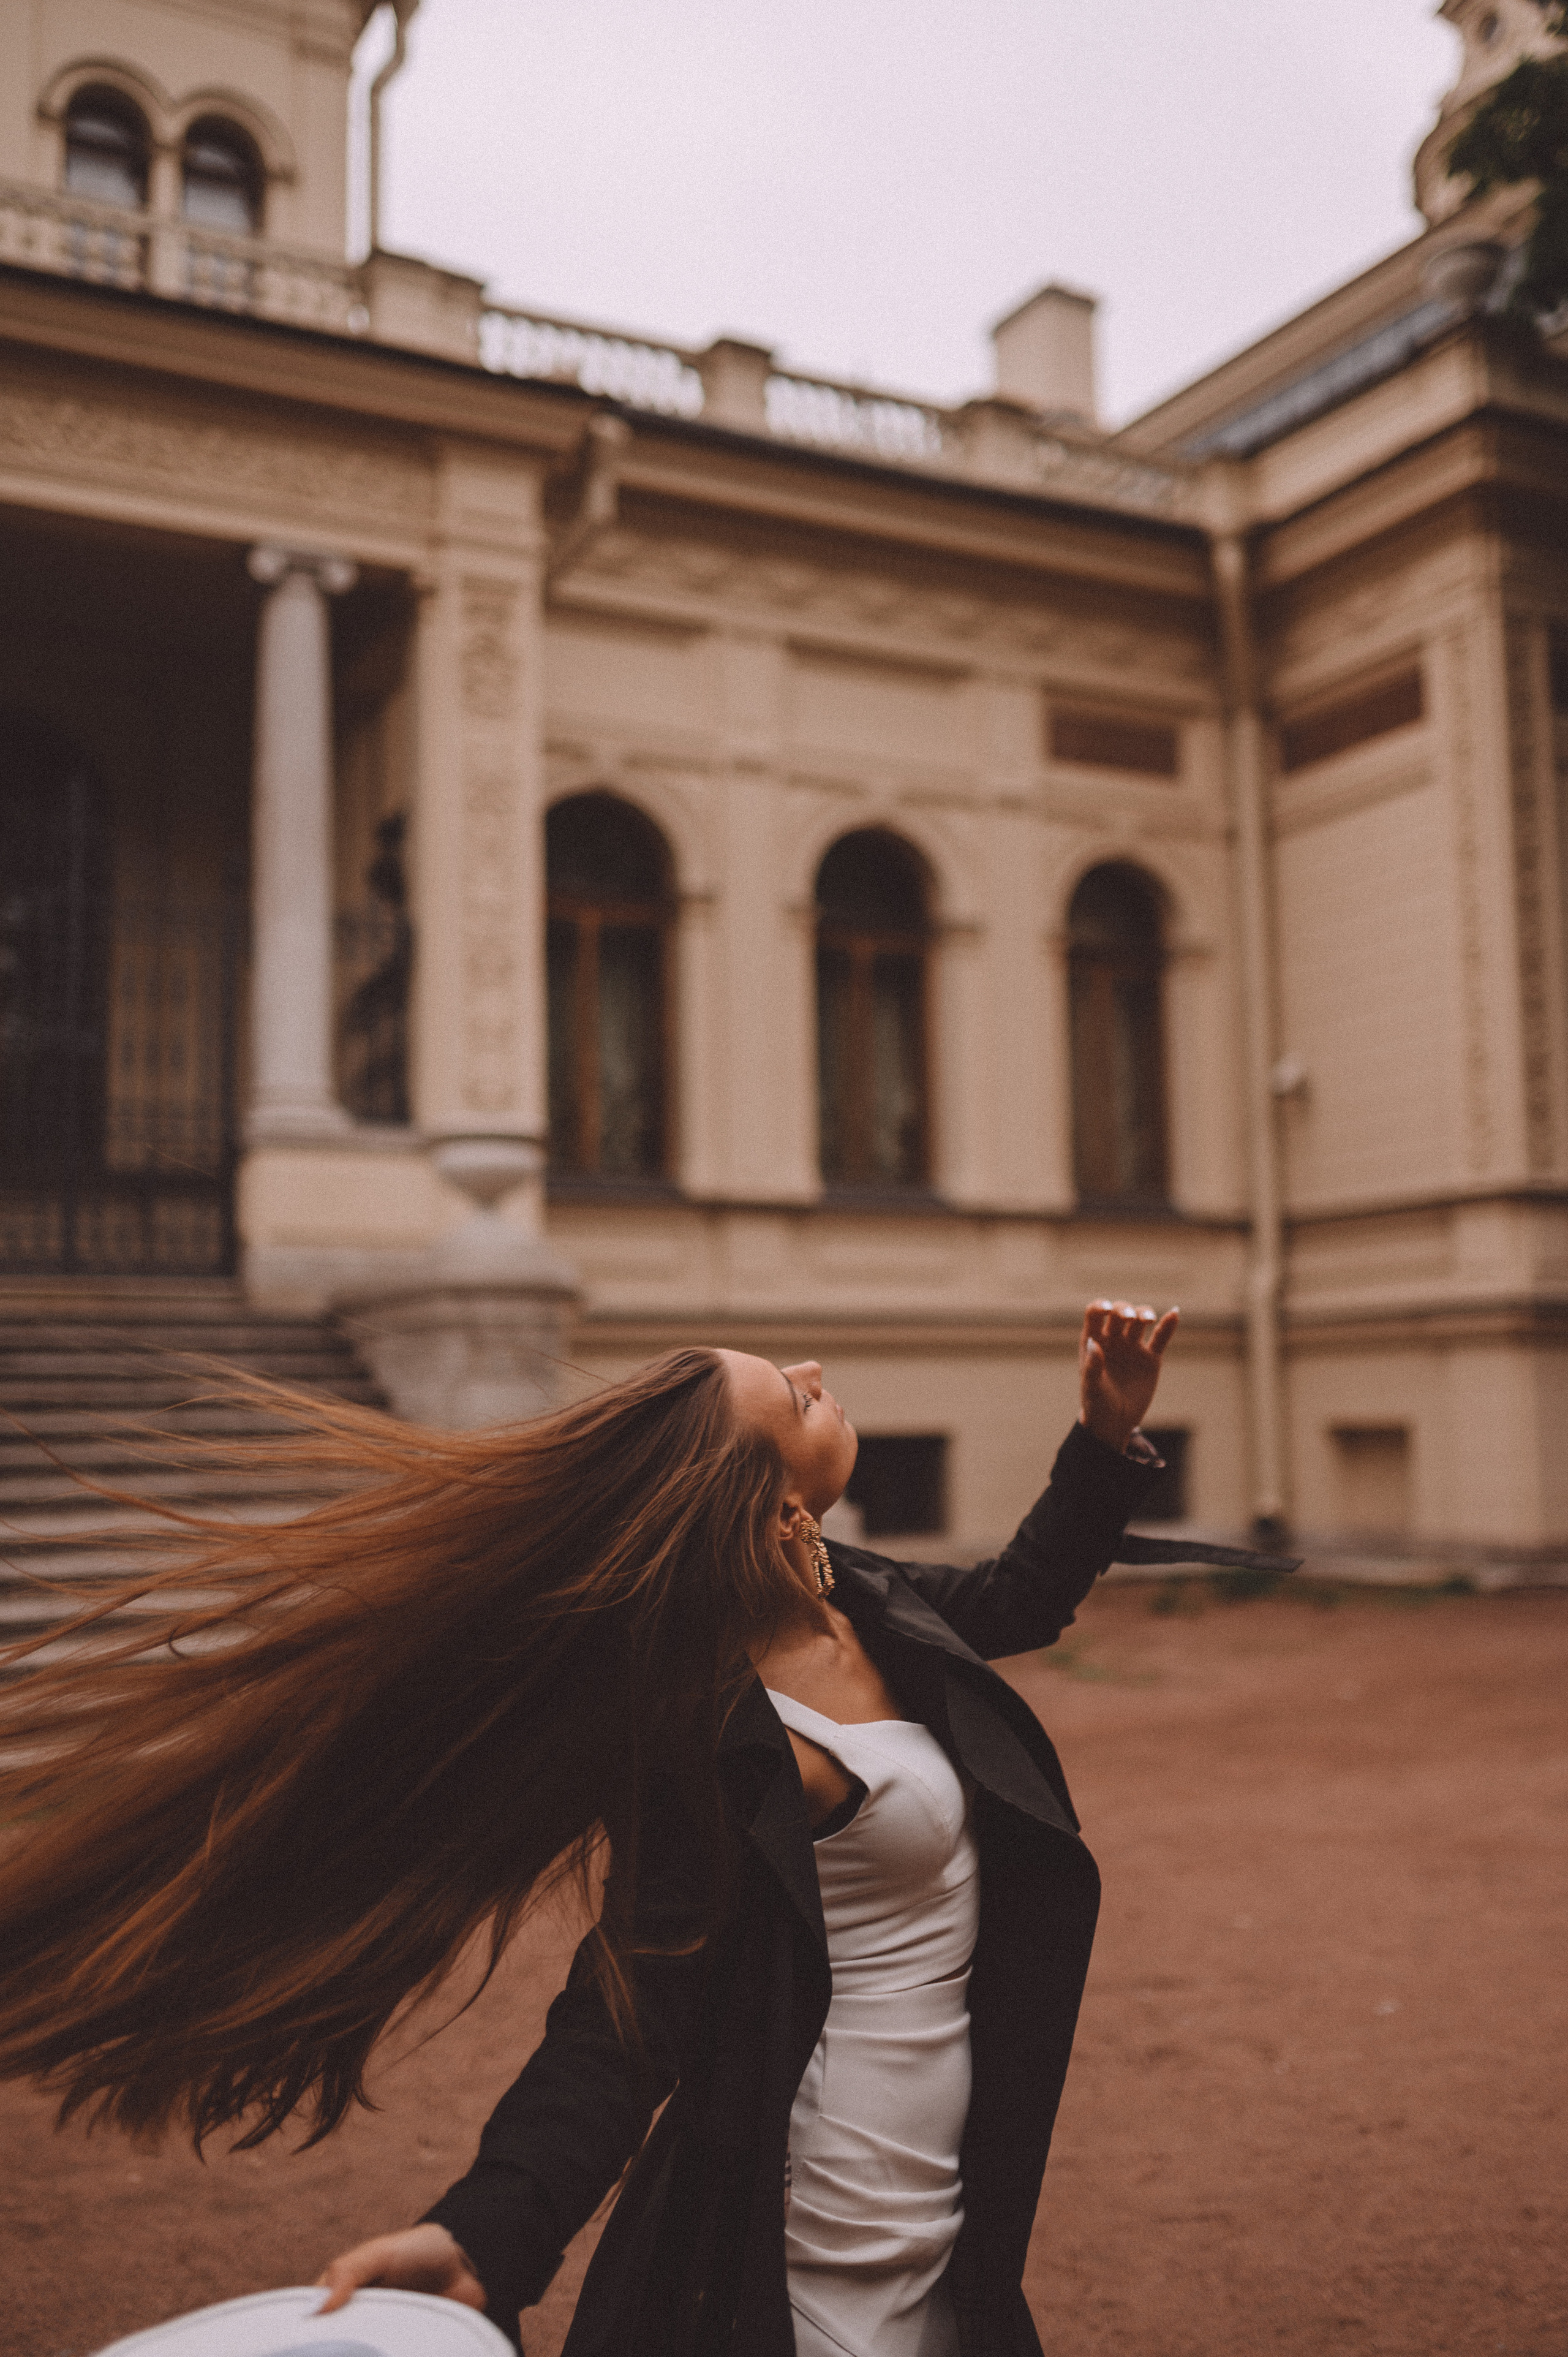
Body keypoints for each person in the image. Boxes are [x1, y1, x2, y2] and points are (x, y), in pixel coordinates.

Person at [0, 1299, 1200, 2357]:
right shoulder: (722, 1729)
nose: (817, 1367)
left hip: (942, 2203)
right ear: (771, 1500)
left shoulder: (859, 1599)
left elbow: (1011, 1601)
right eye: (795, 1394)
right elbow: (627, 2009)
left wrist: (1101, 1440)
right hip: (818, 2225)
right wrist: (486, 2233)